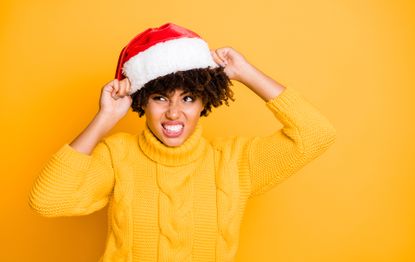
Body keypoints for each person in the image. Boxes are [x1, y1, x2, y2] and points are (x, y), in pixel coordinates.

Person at [28, 22, 337, 262]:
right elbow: (47, 200)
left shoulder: (234, 163)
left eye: (188, 98)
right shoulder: (117, 155)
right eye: (160, 98)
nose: (173, 113)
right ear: (142, 103)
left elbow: (316, 134)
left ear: (205, 102)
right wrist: (105, 118)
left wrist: (246, 73)